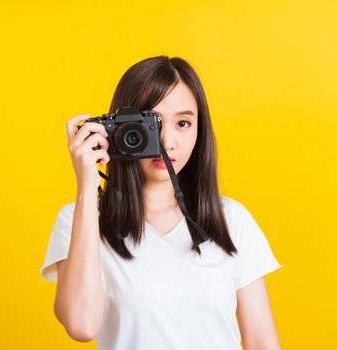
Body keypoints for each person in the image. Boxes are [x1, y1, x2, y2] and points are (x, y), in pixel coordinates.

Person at [40, 55, 283, 350]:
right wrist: (86, 188)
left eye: (183, 123)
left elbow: (262, 343)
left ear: (200, 130)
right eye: (151, 124)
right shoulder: (79, 219)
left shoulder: (231, 219)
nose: (167, 140)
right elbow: (81, 324)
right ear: (120, 126)